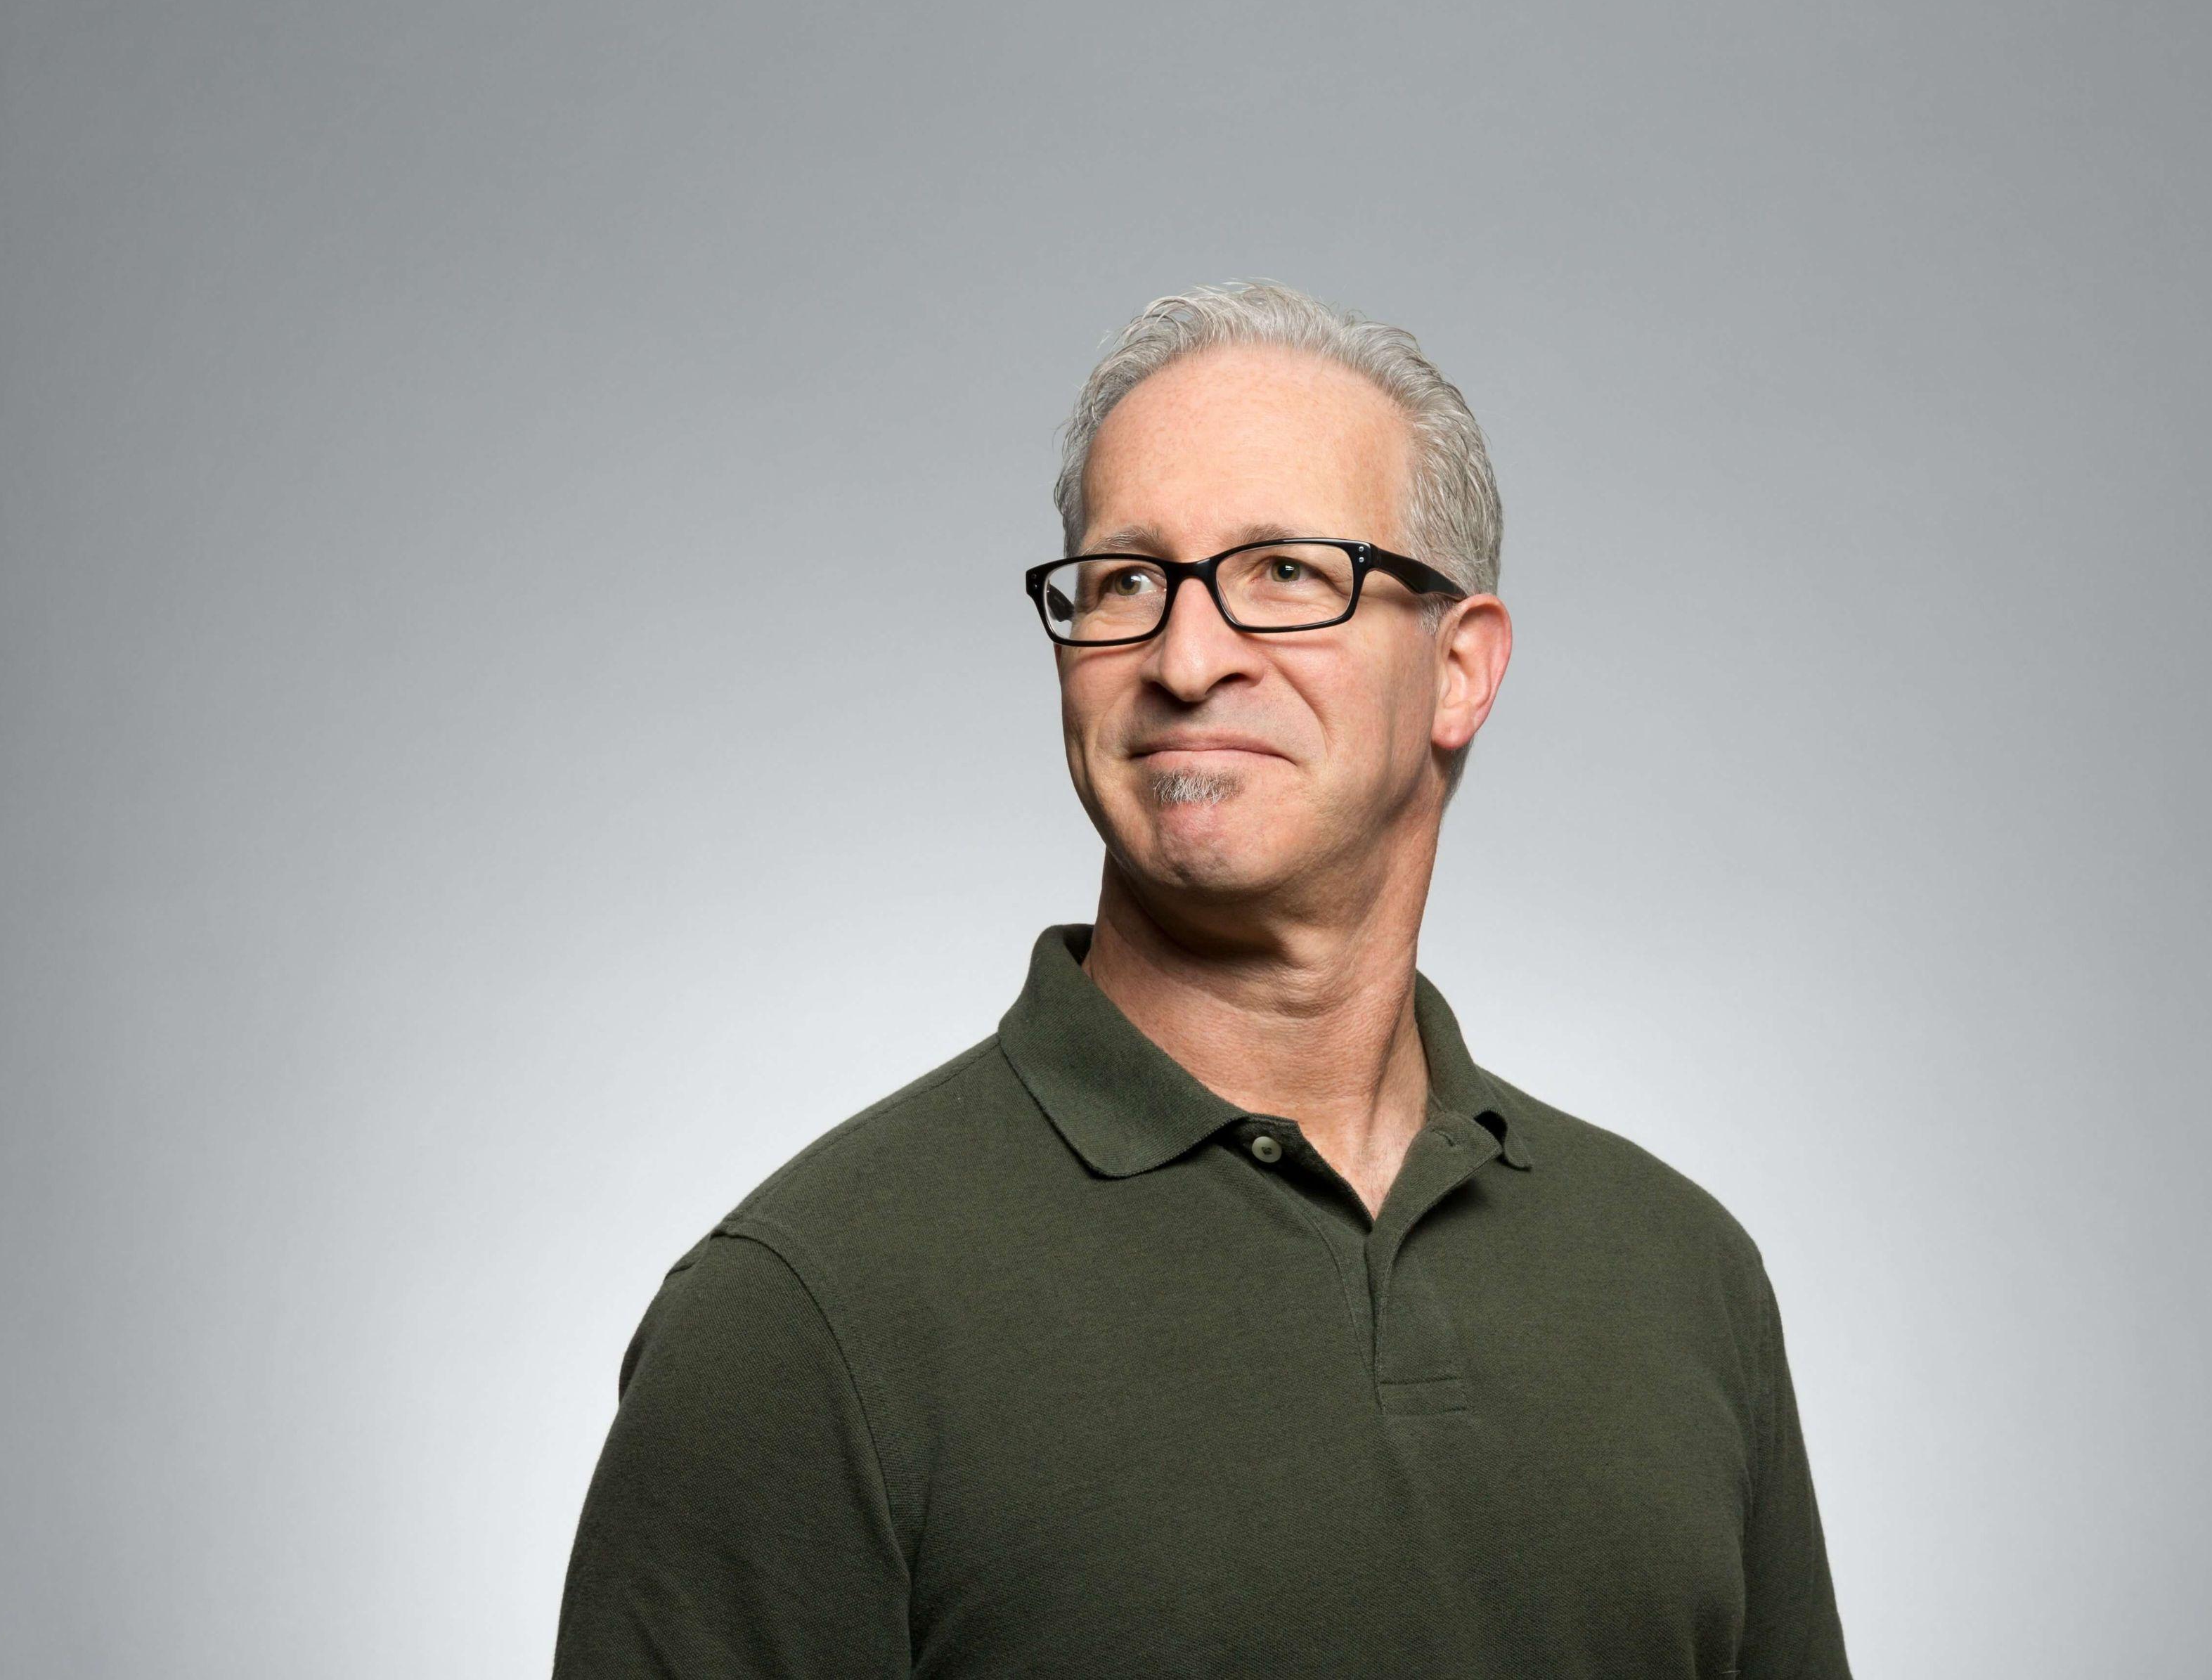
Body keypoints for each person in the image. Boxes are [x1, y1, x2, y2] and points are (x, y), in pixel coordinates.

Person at [551, 281, 1851, 1678]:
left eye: (1286, 572)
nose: (1182, 658)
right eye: (1123, 583)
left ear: (1459, 669)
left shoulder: (1680, 1275)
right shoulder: (802, 1318)